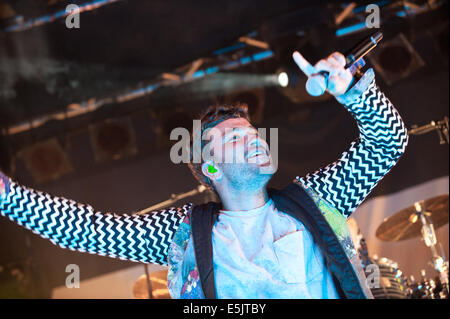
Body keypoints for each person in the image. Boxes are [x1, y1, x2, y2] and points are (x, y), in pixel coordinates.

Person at [0, 51, 408, 299]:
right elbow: (87, 229)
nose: (252, 138)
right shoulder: (184, 235)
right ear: (210, 168)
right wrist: (8, 196)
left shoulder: (315, 201)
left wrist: (357, 92)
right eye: (233, 136)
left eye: (252, 132)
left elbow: (388, 144)